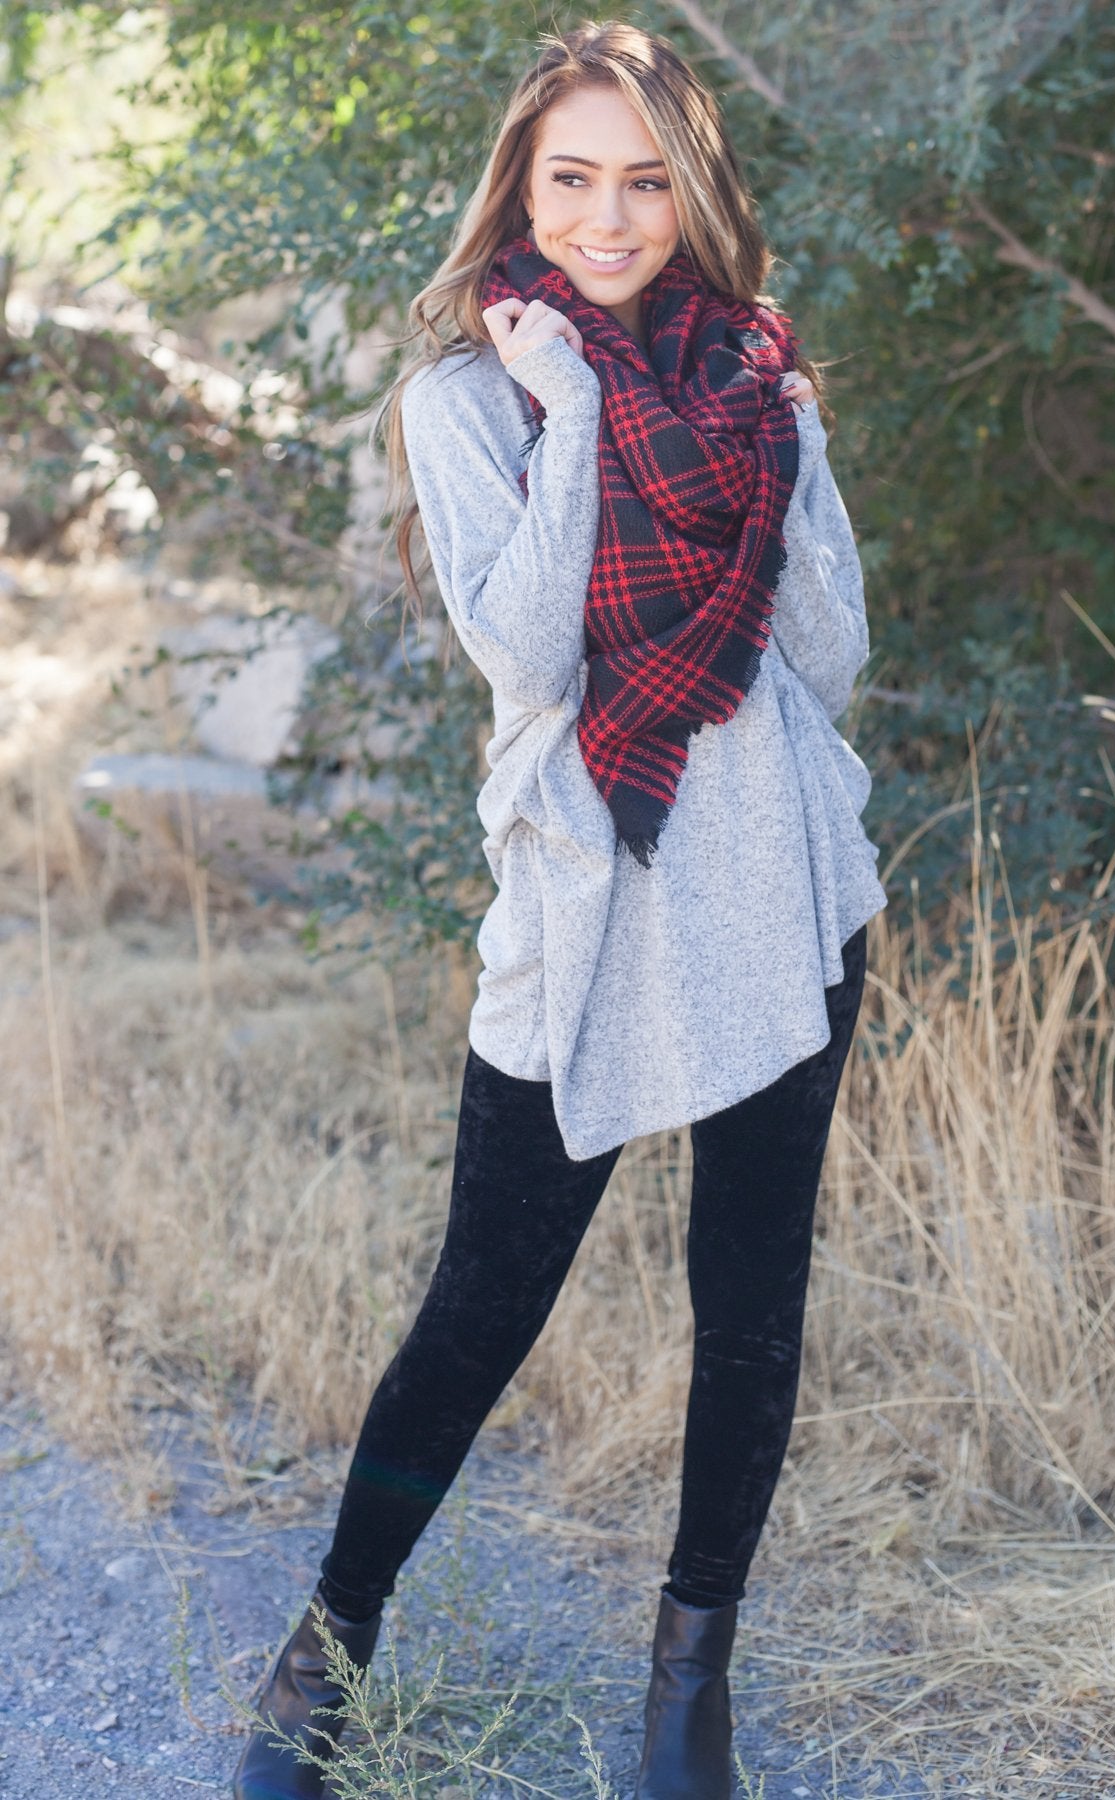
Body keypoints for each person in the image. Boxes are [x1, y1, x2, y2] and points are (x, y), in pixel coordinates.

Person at [232, 19, 888, 1800]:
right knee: (480, 1306)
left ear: (695, 190)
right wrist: (586, 409)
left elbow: (826, 658)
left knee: (750, 1304)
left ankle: (690, 1691)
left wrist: (802, 460)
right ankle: (328, 1649)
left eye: (647, 179)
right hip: (587, 902)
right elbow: (530, 654)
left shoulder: (758, 383)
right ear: (523, 186)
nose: (610, 217)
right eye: (574, 177)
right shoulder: (464, 400)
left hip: (772, 882)